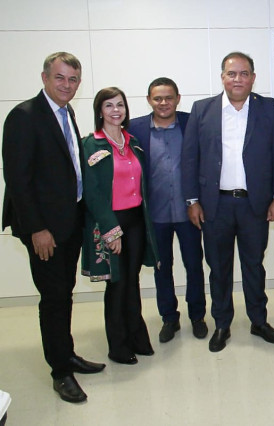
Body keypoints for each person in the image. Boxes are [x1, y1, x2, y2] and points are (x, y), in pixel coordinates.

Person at [2, 52, 105, 403]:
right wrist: (37, 229)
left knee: (64, 292)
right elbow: (18, 180)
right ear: (45, 77)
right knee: (53, 297)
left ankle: (67, 353)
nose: (66, 85)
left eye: (73, 79)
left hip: (68, 221)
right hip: (44, 228)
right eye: (60, 77)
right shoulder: (24, 116)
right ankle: (60, 372)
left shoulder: (66, 112)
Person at [181, 52, 274, 352]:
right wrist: (192, 200)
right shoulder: (202, 110)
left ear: (253, 78)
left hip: (255, 204)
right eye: (231, 74)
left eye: (243, 74)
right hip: (215, 205)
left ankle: (259, 321)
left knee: (254, 265)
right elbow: (189, 158)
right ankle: (222, 324)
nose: (237, 79)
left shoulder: (267, 108)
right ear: (222, 77)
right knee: (219, 268)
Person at [81, 87, 159, 366]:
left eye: (120, 105)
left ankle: (137, 336)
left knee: (132, 280)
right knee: (117, 283)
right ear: (99, 111)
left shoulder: (133, 142)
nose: (116, 111)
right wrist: (111, 231)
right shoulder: (91, 144)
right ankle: (118, 345)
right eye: (109, 106)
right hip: (111, 222)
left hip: (136, 220)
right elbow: (91, 192)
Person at [128, 78, 207, 343]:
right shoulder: (135, 128)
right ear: (149, 100)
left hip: (189, 211)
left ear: (178, 98)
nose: (163, 103)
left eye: (169, 98)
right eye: (158, 98)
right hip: (155, 214)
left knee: (194, 265)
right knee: (162, 268)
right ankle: (169, 318)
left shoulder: (190, 123)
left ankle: (197, 316)